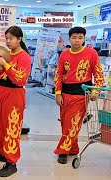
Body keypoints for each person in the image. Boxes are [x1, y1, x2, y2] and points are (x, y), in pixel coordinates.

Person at [0, 26, 31, 177]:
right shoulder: (5, 54)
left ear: (19, 39)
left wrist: (5, 64)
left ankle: (11, 162)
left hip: (14, 93)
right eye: (6, 38)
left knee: (11, 127)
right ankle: (1, 152)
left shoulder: (24, 57)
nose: (8, 41)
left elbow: (20, 79)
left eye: (11, 38)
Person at [54, 26, 104, 164]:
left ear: (84, 39)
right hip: (65, 93)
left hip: (81, 94)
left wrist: (95, 91)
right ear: (69, 39)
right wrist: (58, 93)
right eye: (74, 38)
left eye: (80, 38)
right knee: (66, 123)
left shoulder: (91, 53)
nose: (77, 41)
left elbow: (98, 73)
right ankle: (73, 148)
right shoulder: (64, 54)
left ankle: (62, 151)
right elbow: (58, 74)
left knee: (72, 122)